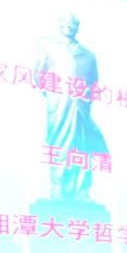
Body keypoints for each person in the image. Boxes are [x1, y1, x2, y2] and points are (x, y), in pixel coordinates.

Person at [34, 13, 108, 201]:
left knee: (83, 146)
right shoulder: (47, 45)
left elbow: (93, 83)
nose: (69, 24)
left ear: (78, 26)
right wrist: (55, 94)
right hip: (58, 105)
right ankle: (57, 187)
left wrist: (83, 100)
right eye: (66, 21)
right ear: (59, 23)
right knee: (59, 143)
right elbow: (39, 75)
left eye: (74, 22)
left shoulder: (88, 55)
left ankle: (82, 190)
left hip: (81, 107)